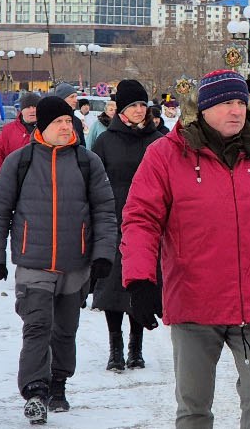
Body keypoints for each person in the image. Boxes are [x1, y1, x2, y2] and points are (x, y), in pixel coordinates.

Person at [122, 69, 250, 427]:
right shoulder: (166, 155)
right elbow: (141, 220)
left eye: (241, 103)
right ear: (205, 109)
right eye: (227, 103)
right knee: (194, 407)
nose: (237, 111)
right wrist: (139, 279)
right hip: (195, 304)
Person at [0, 96, 117, 423]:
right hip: (33, 262)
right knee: (37, 326)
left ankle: (58, 383)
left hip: (76, 264)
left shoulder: (87, 162)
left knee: (65, 330)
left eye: (67, 121)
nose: (65, 126)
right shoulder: (20, 161)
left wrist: (102, 254)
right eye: (58, 122)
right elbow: (0, 213)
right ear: (42, 126)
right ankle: (35, 391)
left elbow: (105, 212)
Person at [91, 80, 162, 372]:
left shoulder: (157, 140)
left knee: (140, 283)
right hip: (114, 221)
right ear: (121, 109)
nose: (138, 110)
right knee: (111, 287)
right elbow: (94, 182)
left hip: (147, 223)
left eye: (142, 105)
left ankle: (136, 347)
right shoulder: (105, 141)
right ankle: (115, 348)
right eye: (133, 105)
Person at [0, 92, 41, 185]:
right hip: (14, 182)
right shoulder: (9, 130)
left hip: (41, 183)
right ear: (21, 110)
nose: (32, 110)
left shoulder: (48, 129)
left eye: (35, 107)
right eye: (28, 107)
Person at [50, 83, 85, 147]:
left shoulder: (77, 122)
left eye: (76, 97)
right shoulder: (50, 120)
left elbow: (82, 147)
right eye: (72, 97)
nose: (75, 100)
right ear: (62, 100)